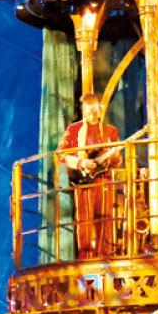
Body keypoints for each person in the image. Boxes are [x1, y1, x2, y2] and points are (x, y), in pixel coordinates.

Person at [58, 93, 122, 259]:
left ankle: (104, 254)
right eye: (88, 112)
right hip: (84, 180)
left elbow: (117, 161)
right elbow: (61, 155)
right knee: (84, 219)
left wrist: (112, 157)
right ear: (83, 111)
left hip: (104, 180)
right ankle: (85, 256)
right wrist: (81, 163)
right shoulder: (74, 130)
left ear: (100, 110)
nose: (92, 115)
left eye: (94, 111)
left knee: (105, 218)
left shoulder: (111, 131)